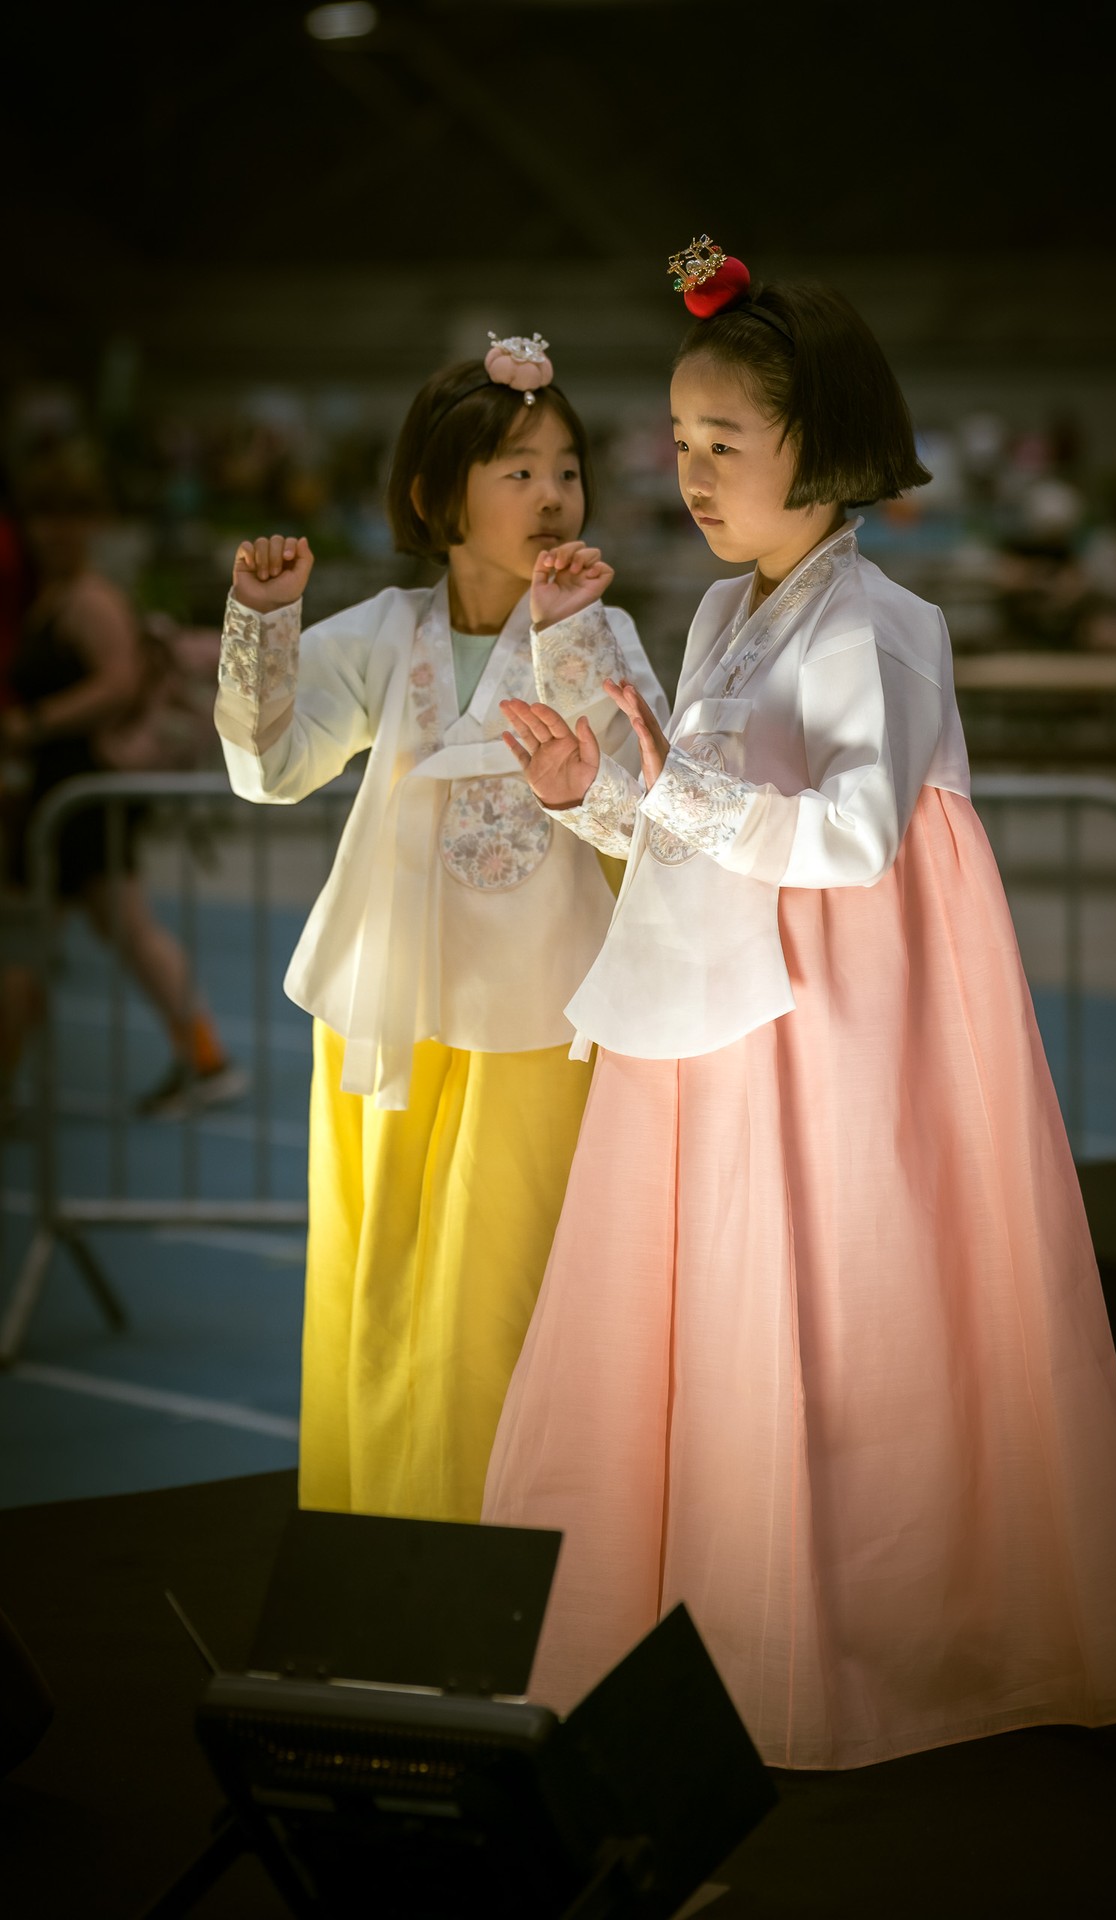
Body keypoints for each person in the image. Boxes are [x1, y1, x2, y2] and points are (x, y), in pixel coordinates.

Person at [485, 247, 1116, 1769]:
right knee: (721, 1307)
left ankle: (856, 1638)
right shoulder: (724, 612)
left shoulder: (877, 623)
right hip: (727, 1008)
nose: (689, 474)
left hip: (833, 1022)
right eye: (677, 442)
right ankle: (708, 1623)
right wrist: (592, 790)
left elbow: (857, 838)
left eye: (723, 443)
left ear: (822, 444)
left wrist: (670, 790)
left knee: (825, 1307)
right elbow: (690, 819)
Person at [216, 335, 666, 1523]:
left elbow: (643, 811)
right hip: (387, 1014)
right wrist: (262, 623)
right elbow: (270, 769)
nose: (552, 495)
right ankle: (378, 1537)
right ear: (435, 497)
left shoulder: (602, 634)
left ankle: (506, 1556)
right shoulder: (381, 631)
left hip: (537, 1025)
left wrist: (567, 638)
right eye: (517, 470)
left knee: (501, 1301)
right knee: (377, 1285)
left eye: (565, 469)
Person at [0, 450, 240, 1117]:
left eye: (70, 515)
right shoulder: (51, 597)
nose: (55, 531)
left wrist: (34, 724)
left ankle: (206, 1059)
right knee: (109, 931)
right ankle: (205, 1058)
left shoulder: (90, 600)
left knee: (35, 941)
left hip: (82, 789)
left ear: (93, 524)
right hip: (62, 790)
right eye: (44, 516)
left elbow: (119, 683)